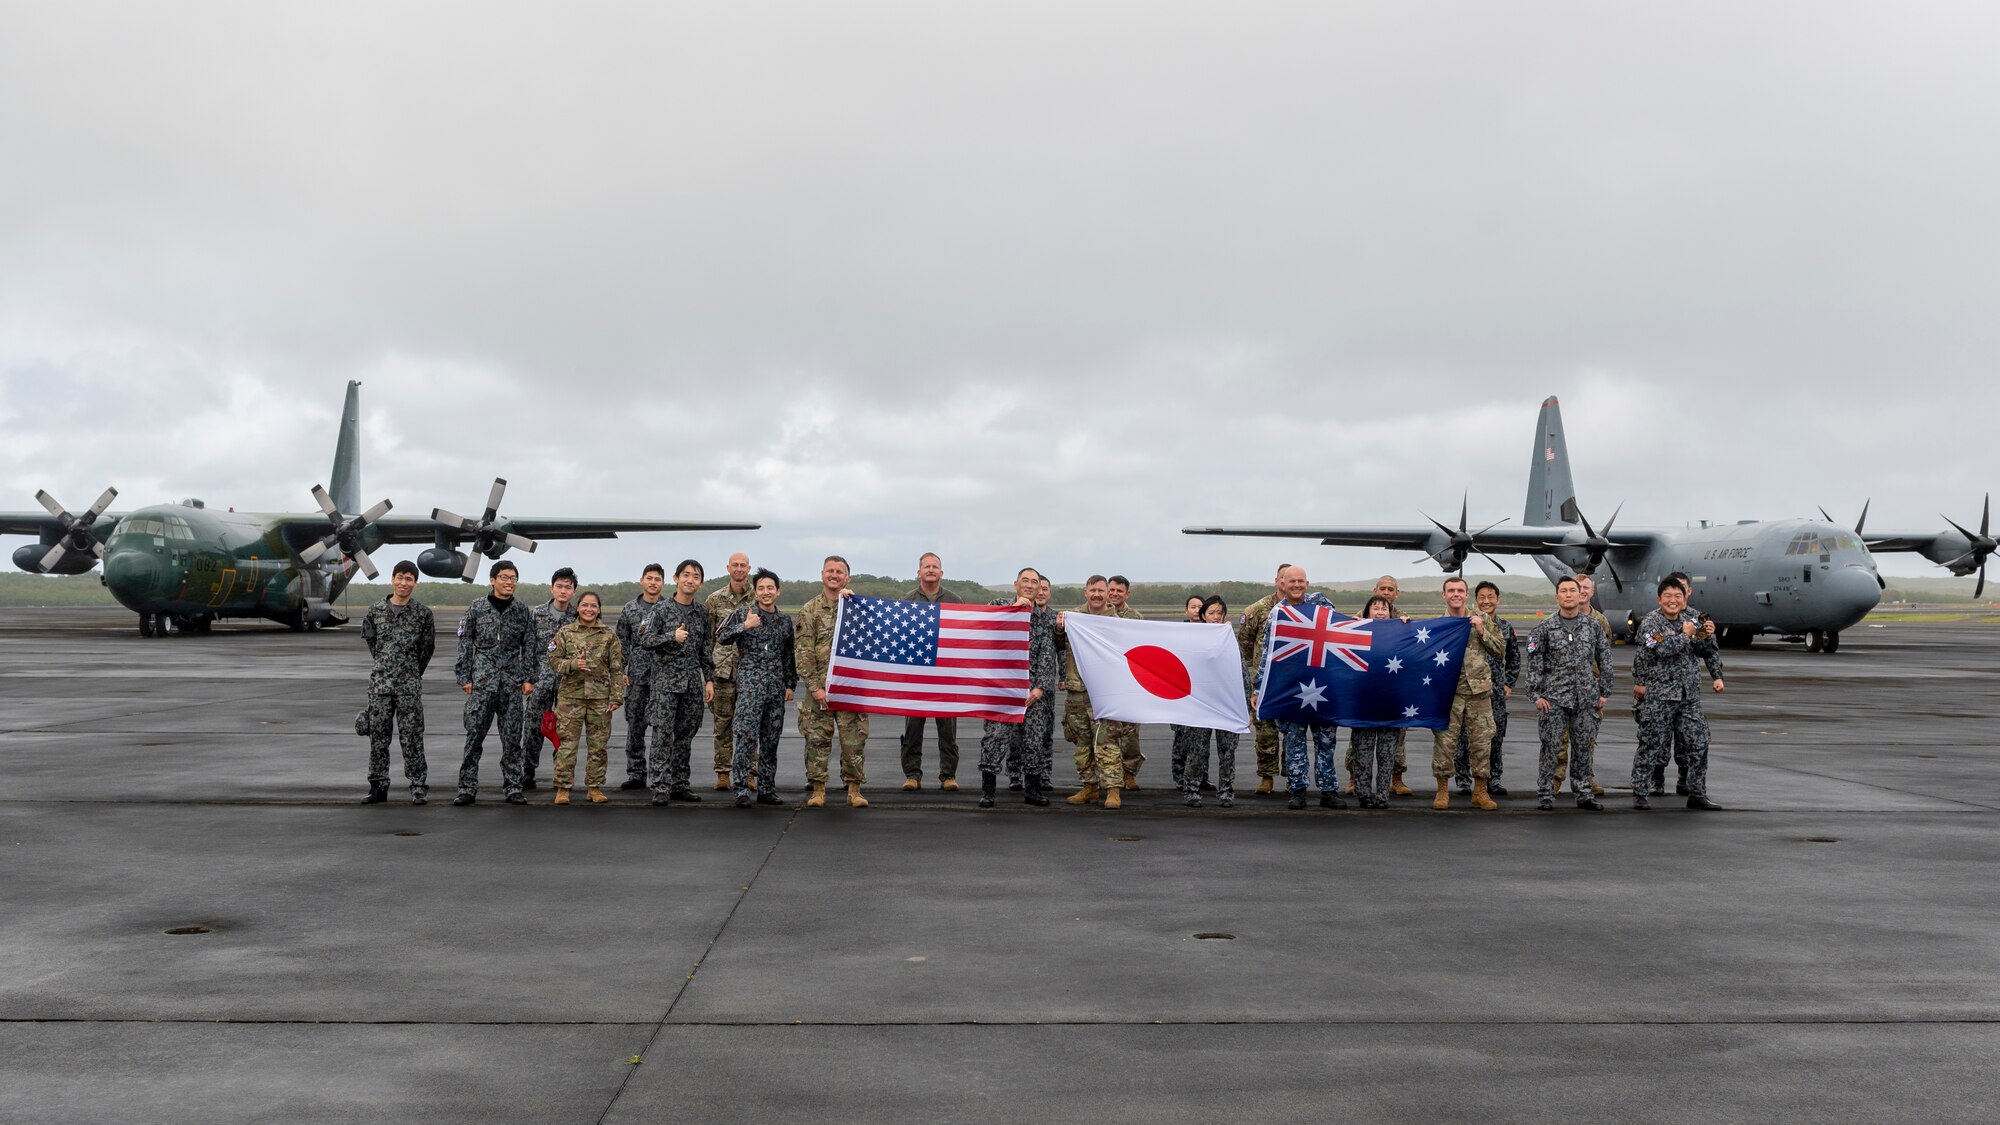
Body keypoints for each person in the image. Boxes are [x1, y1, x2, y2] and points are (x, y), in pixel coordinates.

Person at [1252, 565, 1347, 810]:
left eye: (1301, 581)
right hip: (1292, 687)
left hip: (1323, 685)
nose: (1296, 585)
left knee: (1326, 741)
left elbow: (1340, 629)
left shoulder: (1321, 605)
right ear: (1282, 583)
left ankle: (1328, 790)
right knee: (1294, 740)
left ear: (1307, 583)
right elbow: (1268, 653)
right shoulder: (1278, 613)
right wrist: (1259, 688)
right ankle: (1298, 789)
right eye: (1292, 581)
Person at [1630, 578, 1725, 810]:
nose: (1673, 601)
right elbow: (1662, 649)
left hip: (1688, 697)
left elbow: (1703, 651)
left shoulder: (1690, 622)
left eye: (1678, 597)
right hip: (1660, 695)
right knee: (1650, 744)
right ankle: (1641, 792)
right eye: (1668, 596)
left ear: (1684, 600)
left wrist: (1707, 635)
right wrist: (1686, 634)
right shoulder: (1650, 623)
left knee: (1699, 743)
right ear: (1659, 599)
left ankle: (1697, 793)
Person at [452, 560, 540, 806]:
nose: (509, 582)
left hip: (511, 682)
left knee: (512, 739)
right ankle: (467, 788)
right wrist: (464, 676)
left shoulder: (522, 611)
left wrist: (529, 677)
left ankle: (513, 787)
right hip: (483, 681)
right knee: (474, 736)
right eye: (504, 577)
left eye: (513, 578)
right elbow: (465, 642)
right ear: (492, 580)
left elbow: (530, 645)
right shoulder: (477, 608)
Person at [1526, 575, 1613, 811]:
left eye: (1572, 590)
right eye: (1563, 591)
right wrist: (1536, 695)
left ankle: (1583, 792)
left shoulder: (1593, 626)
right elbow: (1534, 664)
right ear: (1557, 597)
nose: (1568, 594)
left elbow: (1605, 660)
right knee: (1551, 747)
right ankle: (1546, 792)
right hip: (1554, 699)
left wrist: (1604, 692)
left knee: (1583, 747)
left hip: (1586, 698)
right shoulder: (1544, 628)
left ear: (1580, 594)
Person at [977, 567, 1058, 807]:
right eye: (1026, 581)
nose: (1031, 585)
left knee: (1033, 741)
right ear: (1016, 584)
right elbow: (983, 622)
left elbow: (1046, 654)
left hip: (1032, 692)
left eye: (1035, 582)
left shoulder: (1043, 618)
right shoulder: (999, 604)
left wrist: (1040, 687)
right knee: (994, 739)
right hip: (1002, 689)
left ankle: (1032, 790)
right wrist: (1013, 609)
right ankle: (988, 791)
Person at [716, 569, 796, 808]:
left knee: (771, 740)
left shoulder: (784, 621)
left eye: (770, 588)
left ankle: (767, 788)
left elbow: (787, 654)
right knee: (745, 738)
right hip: (751, 687)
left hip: (775, 688)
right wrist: (745, 626)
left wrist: (790, 683)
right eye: (761, 588)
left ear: (778, 591)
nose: (766, 592)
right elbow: (721, 636)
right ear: (756, 591)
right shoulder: (744, 613)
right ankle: (741, 788)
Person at [796, 555, 870, 808]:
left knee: (853, 740)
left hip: (850, 688)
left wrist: (853, 600)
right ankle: (818, 790)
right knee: (817, 740)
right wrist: (815, 688)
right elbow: (804, 651)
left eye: (840, 572)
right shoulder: (809, 610)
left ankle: (854, 790)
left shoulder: (855, 607)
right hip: (819, 688)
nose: (834, 575)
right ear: (822, 574)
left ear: (847, 577)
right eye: (830, 571)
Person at [640, 559, 715, 806]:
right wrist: (671, 636)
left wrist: (709, 679)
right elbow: (646, 640)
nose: (690, 580)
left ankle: (680, 784)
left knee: (685, 734)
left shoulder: (702, 613)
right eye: (686, 575)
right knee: (662, 734)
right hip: (665, 683)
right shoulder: (660, 610)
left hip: (692, 682)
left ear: (700, 583)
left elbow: (706, 649)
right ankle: (660, 786)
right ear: (676, 578)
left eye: (695, 576)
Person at [360, 560, 434, 805]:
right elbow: (373, 646)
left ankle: (417, 785)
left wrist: (411, 672)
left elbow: (426, 649)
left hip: (408, 687)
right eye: (400, 577)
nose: (404, 583)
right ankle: (378, 786)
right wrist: (387, 668)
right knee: (378, 738)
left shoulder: (423, 614)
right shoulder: (375, 611)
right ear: (392, 579)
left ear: (415, 583)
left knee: (412, 737)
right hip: (380, 687)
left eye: (409, 579)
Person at [1431, 576, 1507, 811]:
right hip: (1449, 693)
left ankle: (1480, 791)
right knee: (1445, 742)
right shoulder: (1437, 625)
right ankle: (1442, 789)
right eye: (1451, 590)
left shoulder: (1481, 618)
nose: (1456, 594)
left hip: (1479, 692)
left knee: (1482, 742)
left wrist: (1482, 630)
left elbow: (1500, 650)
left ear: (1466, 595)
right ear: (1444, 595)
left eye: (1460, 590)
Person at [546, 591, 624, 804]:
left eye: (593, 606)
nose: (589, 609)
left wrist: (616, 697)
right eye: (585, 605)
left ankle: (594, 787)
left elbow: (617, 668)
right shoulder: (565, 632)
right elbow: (553, 661)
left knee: (598, 746)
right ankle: (563, 788)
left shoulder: (608, 635)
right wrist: (571, 665)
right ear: (578, 607)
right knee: (567, 745)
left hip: (600, 698)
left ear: (599, 609)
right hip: (571, 698)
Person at [1057, 575, 1124, 809]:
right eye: (1092, 590)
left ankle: (1113, 789)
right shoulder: (1073, 617)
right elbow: (1057, 644)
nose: (1096, 595)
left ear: (1107, 594)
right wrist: (1059, 628)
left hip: (1105, 691)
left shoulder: (1117, 621)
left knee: (1107, 742)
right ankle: (1089, 787)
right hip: (1077, 691)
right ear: (1085, 592)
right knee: (1082, 743)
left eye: (1101, 591)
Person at [900, 552, 964, 791]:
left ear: (941, 573)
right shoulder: (905, 600)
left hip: (946, 676)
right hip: (916, 676)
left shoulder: (955, 600)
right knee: (912, 729)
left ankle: (948, 775)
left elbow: (964, 636)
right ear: (919, 572)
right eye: (926, 566)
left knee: (948, 730)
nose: (930, 570)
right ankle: (912, 775)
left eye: (935, 566)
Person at [1454, 580, 1521, 797]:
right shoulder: (1466, 623)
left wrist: (1508, 683)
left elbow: (1513, 658)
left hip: (1495, 693)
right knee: (1464, 736)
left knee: (1495, 736)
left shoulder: (1506, 627)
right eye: (1482, 597)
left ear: (1498, 600)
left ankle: (1494, 778)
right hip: (1470, 690)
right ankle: (1463, 779)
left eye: (1491, 596)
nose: (1486, 601)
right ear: (1475, 600)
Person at [1177, 595, 1240, 808]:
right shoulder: (1191, 639)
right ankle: (1191, 790)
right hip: (1199, 703)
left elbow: (1239, 671)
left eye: (1219, 613)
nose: (1215, 617)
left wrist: (1244, 705)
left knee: (1227, 751)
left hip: (1226, 703)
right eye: (1211, 613)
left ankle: (1226, 792)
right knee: (1197, 750)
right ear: (1203, 615)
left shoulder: (1229, 638)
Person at [519, 567, 577, 790]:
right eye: (559, 586)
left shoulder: (576, 616)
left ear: (573, 591)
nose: (563, 591)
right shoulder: (537, 613)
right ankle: (528, 771)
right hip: (540, 678)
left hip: (567, 680)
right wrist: (527, 678)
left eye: (568, 587)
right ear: (552, 588)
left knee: (565, 729)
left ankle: (561, 773)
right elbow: (528, 648)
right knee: (533, 726)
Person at [705, 552, 756, 791]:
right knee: (722, 724)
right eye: (735, 565)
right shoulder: (714, 600)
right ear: (728, 568)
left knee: (748, 726)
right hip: (722, 672)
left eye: (742, 565)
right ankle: (723, 773)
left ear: (748, 568)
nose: (739, 569)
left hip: (749, 671)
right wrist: (708, 676)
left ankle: (748, 773)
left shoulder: (759, 598)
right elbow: (708, 638)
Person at [1237, 565, 1290, 795]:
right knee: (1266, 733)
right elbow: (1245, 644)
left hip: (1292, 682)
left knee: (1292, 733)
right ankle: (1266, 777)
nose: (1288, 584)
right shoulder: (1258, 609)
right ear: (1277, 581)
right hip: (1264, 682)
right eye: (1283, 579)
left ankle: (1293, 777)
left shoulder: (1305, 609)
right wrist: (1256, 672)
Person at [614, 564, 667, 790]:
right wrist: (620, 672)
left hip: (663, 676)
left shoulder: (669, 608)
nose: (653, 582)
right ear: (642, 581)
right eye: (649, 578)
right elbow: (621, 644)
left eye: (657, 579)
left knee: (663, 727)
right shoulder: (630, 609)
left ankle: (661, 774)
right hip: (636, 676)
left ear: (663, 583)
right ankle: (636, 772)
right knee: (635, 725)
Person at [1349, 594, 1401, 809]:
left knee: (1387, 753)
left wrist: (1405, 624)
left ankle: (1382, 795)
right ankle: (1363, 793)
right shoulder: (1356, 630)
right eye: (1375, 608)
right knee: (1362, 751)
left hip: (1391, 701)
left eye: (1384, 609)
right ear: (1367, 611)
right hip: (1364, 702)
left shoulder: (1400, 632)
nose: (1380, 612)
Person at [1104, 575, 1146, 787]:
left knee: (1130, 732)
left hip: (1129, 681)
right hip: (1105, 680)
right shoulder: (1098, 614)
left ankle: (1129, 773)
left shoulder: (1135, 617)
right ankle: (1106, 775)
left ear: (1127, 593)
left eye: (1119, 591)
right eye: (1111, 590)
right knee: (1105, 732)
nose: (1114, 594)